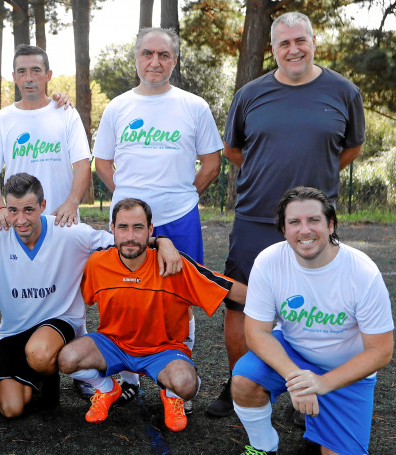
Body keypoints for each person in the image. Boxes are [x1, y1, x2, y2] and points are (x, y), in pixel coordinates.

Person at [211, 11, 366, 419]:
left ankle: (311, 387)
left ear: (314, 41)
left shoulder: (344, 92)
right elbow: (233, 151)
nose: (293, 49)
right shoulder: (249, 94)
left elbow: (348, 150)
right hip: (255, 217)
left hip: (312, 223)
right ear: (274, 49)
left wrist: (313, 189)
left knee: (318, 306)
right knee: (239, 303)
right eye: (284, 43)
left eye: (301, 41)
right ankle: (238, 383)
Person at [93, 27, 236, 410]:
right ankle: (124, 380)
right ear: (136, 57)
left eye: (163, 55)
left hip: (179, 217)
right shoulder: (118, 106)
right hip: (128, 223)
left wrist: (183, 194)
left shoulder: (194, 105)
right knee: (124, 290)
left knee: (180, 296)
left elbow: (211, 163)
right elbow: (103, 163)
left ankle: (176, 383)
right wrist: (129, 198)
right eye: (147, 54)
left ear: (174, 60)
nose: (154, 62)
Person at [0, 173, 181, 419]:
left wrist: (162, 241)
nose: (20, 219)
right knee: (11, 408)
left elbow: (124, 241)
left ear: (43, 206)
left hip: (59, 323)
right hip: (14, 333)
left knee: (40, 352)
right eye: (13, 210)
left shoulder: (68, 233)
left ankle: (57, 376)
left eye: (28, 210)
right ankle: (39, 378)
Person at [58, 198, 247, 432]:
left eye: (138, 227)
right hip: (114, 344)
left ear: (150, 230)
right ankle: (107, 389)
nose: (130, 235)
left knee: (186, 384)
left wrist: (276, 300)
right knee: (66, 359)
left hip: (163, 350)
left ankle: (173, 396)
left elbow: (225, 287)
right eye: (123, 227)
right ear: (112, 229)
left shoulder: (171, 263)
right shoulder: (97, 263)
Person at [231, 186, 394, 455]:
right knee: (243, 381)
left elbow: (381, 351)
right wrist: (297, 379)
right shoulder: (269, 262)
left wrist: (321, 383)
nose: (304, 230)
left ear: (331, 225)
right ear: (284, 229)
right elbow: (257, 333)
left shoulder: (363, 272)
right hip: (294, 351)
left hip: (345, 371)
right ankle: (263, 447)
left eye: (313, 220)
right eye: (294, 222)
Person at [0, 44, 91, 232]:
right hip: (20, 225)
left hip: (62, 222)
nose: (28, 78)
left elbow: (82, 165)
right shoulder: (2, 119)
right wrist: (0, 208)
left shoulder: (66, 113)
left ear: (48, 75)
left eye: (36, 70)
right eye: (21, 72)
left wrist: (72, 203)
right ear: (14, 77)